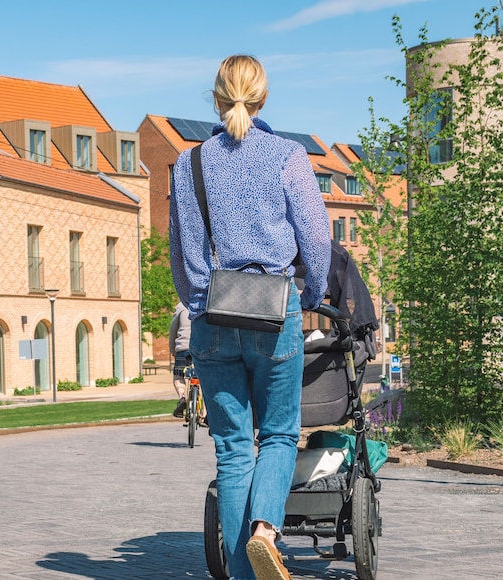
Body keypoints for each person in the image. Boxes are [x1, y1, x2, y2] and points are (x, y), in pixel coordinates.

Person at [169, 55, 330, 580]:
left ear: (215, 98)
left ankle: (242, 575)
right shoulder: (287, 156)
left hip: (213, 312)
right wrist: (313, 293)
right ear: (262, 99)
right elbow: (317, 239)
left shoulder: (189, 164)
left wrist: (197, 305)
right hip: (274, 310)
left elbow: (182, 254)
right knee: (280, 435)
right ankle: (266, 530)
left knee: (233, 449)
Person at [169, 302, 192, 417]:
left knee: (178, 375)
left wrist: (172, 349)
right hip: (201, 348)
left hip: (183, 347)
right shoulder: (205, 302)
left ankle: (182, 397)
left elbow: (173, 330)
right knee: (204, 378)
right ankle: (205, 412)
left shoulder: (181, 306)